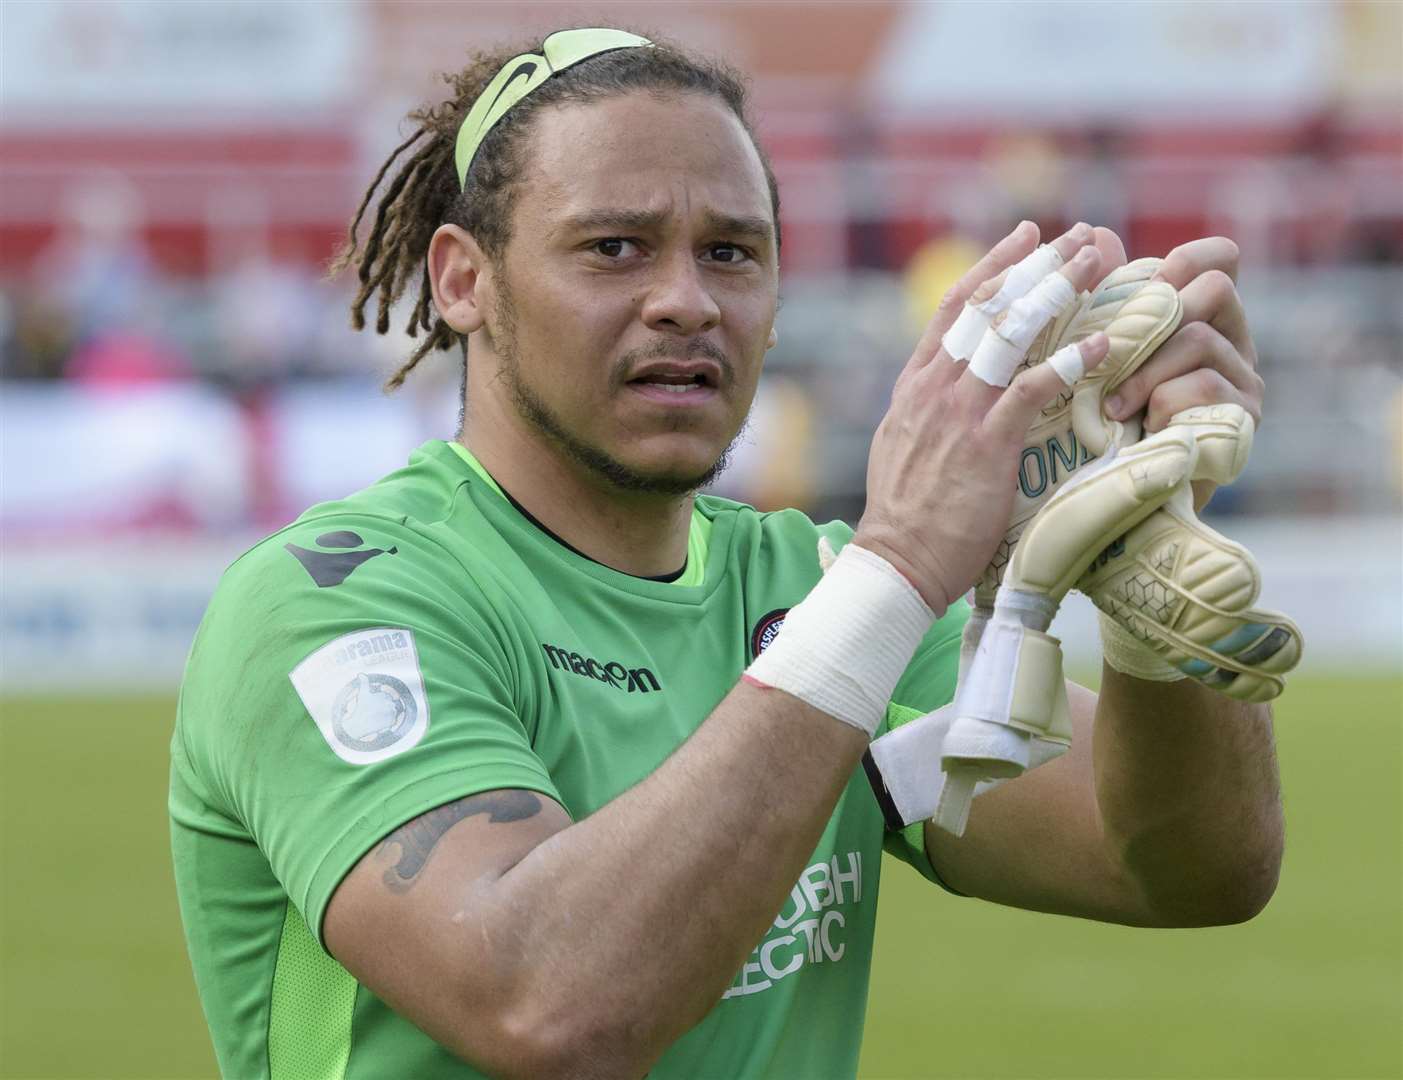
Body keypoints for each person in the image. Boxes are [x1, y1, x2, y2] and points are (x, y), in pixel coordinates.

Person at [170, 29, 1281, 1080]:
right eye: (614, 247)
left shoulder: (814, 588)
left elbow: (1182, 867)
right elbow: (547, 1007)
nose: (686, 302)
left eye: (731, 253)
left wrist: (1146, 574)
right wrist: (896, 565)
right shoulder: (333, 603)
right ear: (462, 279)